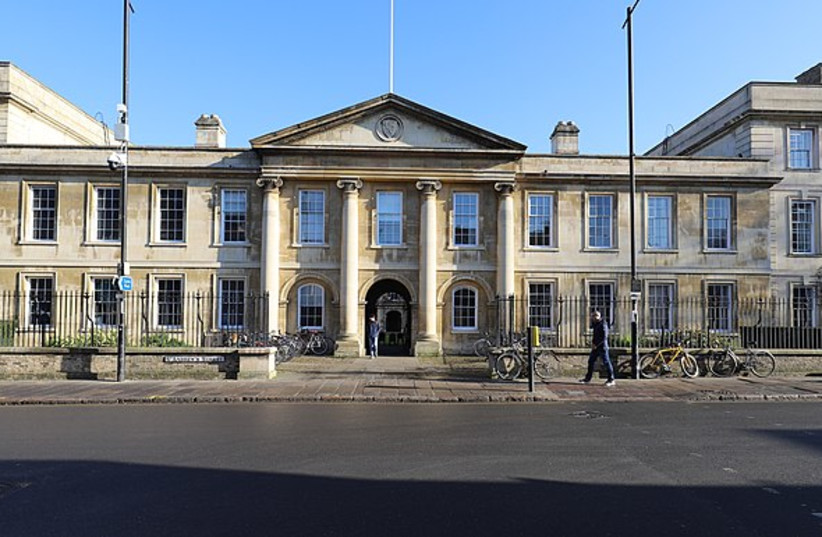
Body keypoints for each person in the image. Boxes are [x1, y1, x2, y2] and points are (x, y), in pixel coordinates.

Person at [580, 310, 616, 386]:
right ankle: (587, 378)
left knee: (606, 362)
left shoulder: (603, 324)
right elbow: (595, 336)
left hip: (602, 347)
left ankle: (611, 379)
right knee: (591, 361)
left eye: (596, 315)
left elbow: (604, 337)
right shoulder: (595, 324)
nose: (594, 317)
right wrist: (593, 343)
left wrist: (597, 345)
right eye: (593, 315)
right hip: (595, 347)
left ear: (600, 316)